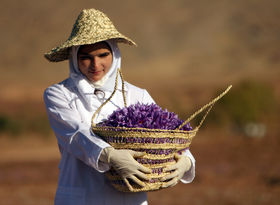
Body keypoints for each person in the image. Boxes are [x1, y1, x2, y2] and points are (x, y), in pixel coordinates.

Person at [44, 8, 195, 205]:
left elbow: (166, 133)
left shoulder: (137, 94)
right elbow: (75, 134)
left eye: (102, 55)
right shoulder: (59, 94)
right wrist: (110, 155)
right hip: (82, 197)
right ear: (74, 58)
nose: (95, 64)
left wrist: (186, 160)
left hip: (130, 199)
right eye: (85, 57)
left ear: (114, 54)